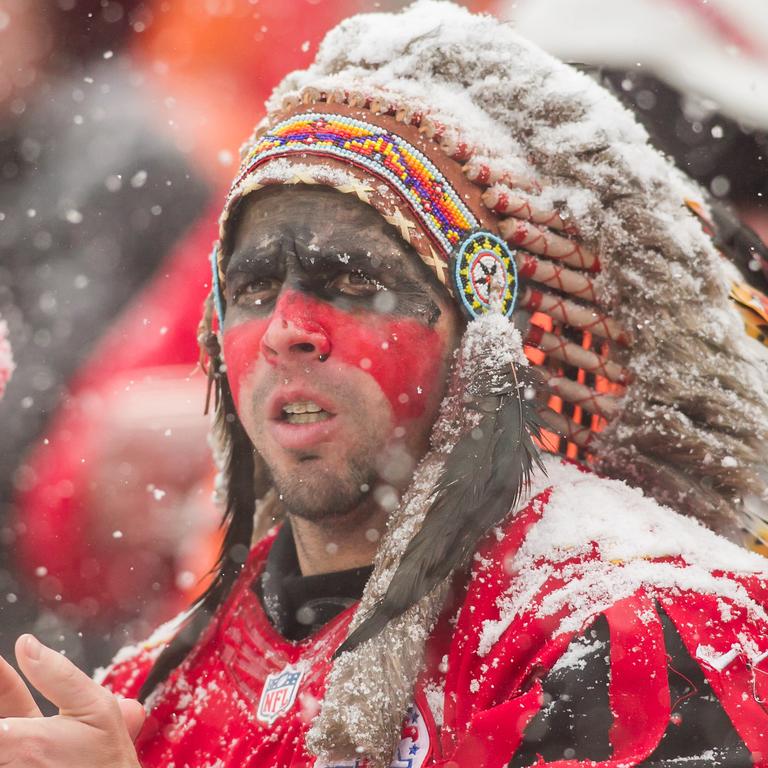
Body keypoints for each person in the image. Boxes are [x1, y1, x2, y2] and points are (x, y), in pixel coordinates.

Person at [1, 2, 768, 766]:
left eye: (353, 280)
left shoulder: (639, 629)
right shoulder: (152, 691)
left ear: (487, 330)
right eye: (255, 288)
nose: (285, 328)